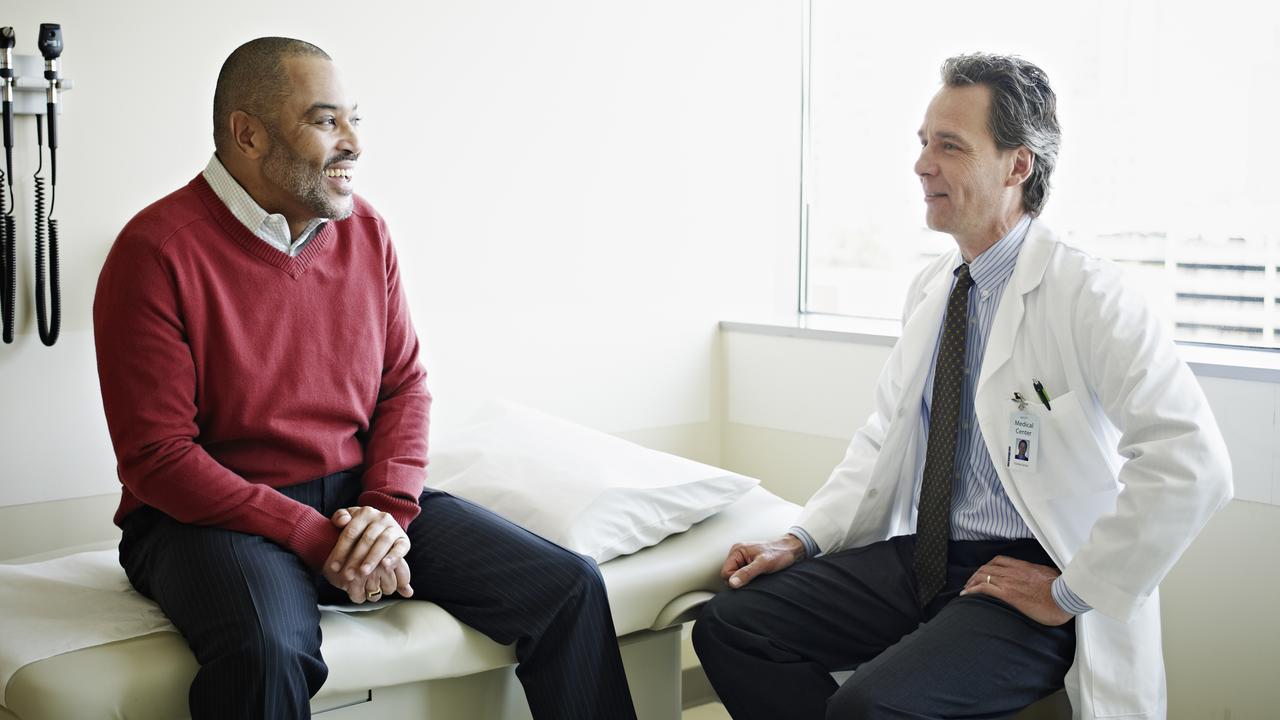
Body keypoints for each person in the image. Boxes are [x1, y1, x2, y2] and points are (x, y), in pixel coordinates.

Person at [93, 37, 637, 720]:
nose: (353, 141)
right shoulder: (155, 251)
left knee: (570, 587)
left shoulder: (366, 231)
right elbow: (157, 458)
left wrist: (386, 510)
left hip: (355, 498)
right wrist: (315, 536)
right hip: (209, 520)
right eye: (326, 121)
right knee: (269, 649)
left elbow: (404, 385)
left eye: (355, 118)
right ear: (248, 134)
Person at [693, 53, 1232, 719]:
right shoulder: (934, 289)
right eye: (923, 143)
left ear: (1017, 165)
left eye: (949, 145)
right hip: (924, 559)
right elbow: (881, 438)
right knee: (731, 626)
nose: (923, 165)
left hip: (1030, 573)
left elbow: (1194, 462)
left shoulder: (1088, 293)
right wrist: (800, 539)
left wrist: (1070, 591)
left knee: (867, 707)